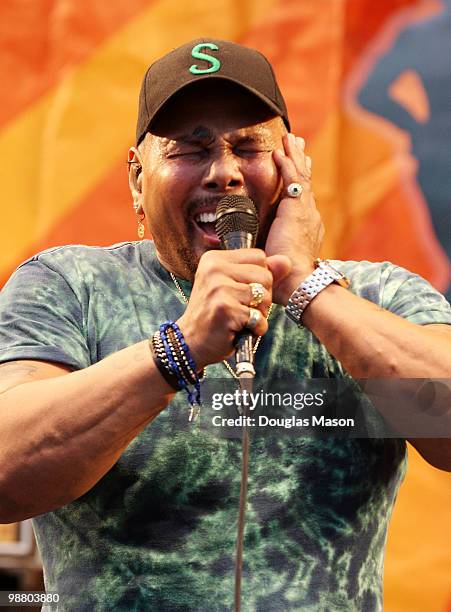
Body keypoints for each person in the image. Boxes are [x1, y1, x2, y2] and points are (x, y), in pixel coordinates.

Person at [0, 38, 450, 611]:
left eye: (248, 147)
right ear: (138, 178)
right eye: (191, 149)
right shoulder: (70, 286)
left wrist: (301, 286)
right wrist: (178, 351)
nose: (224, 173)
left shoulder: (376, 296)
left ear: (294, 166)